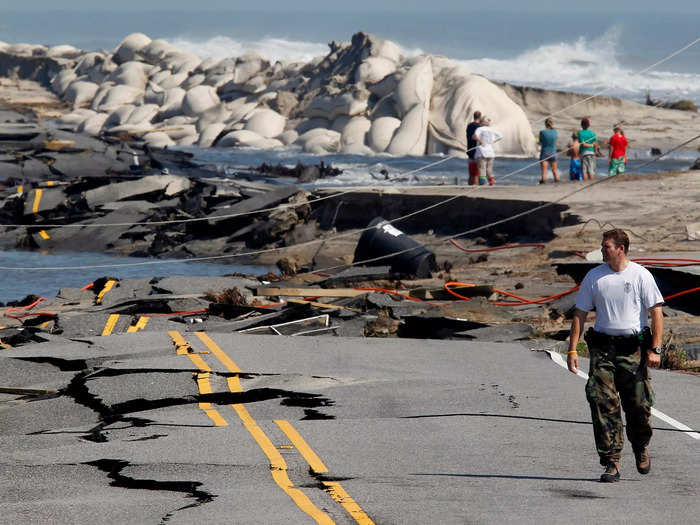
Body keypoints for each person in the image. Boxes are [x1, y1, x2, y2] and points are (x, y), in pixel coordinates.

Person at [567, 229, 664, 483]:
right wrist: (572, 349)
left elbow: (656, 312)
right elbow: (580, 314)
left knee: (639, 405)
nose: (602, 250)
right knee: (602, 403)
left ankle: (640, 446)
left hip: (633, 350)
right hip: (603, 350)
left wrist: (656, 349)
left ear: (621, 249)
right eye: (602, 245)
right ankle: (612, 461)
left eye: (606, 246)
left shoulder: (640, 275)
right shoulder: (594, 277)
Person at [473, 116, 502, 186]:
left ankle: (482, 184)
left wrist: (481, 142)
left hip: (481, 151)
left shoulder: (480, 129)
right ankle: (491, 184)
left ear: (482, 122)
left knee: (482, 169)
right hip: (491, 152)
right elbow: (500, 136)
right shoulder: (492, 129)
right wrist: (492, 142)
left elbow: (474, 136)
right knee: (489, 169)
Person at [538, 117, 560, 183]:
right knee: (555, 171)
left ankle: (543, 186)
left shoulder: (542, 132)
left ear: (545, 124)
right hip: (553, 152)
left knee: (544, 172)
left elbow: (540, 142)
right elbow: (555, 141)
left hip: (544, 152)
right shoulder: (555, 132)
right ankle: (557, 184)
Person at [466, 110, 482, 185]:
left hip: (469, 150)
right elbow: (476, 137)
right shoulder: (479, 127)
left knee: (471, 173)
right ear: (480, 117)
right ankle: (474, 191)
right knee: (476, 174)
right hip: (476, 151)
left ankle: (469, 187)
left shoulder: (469, 125)